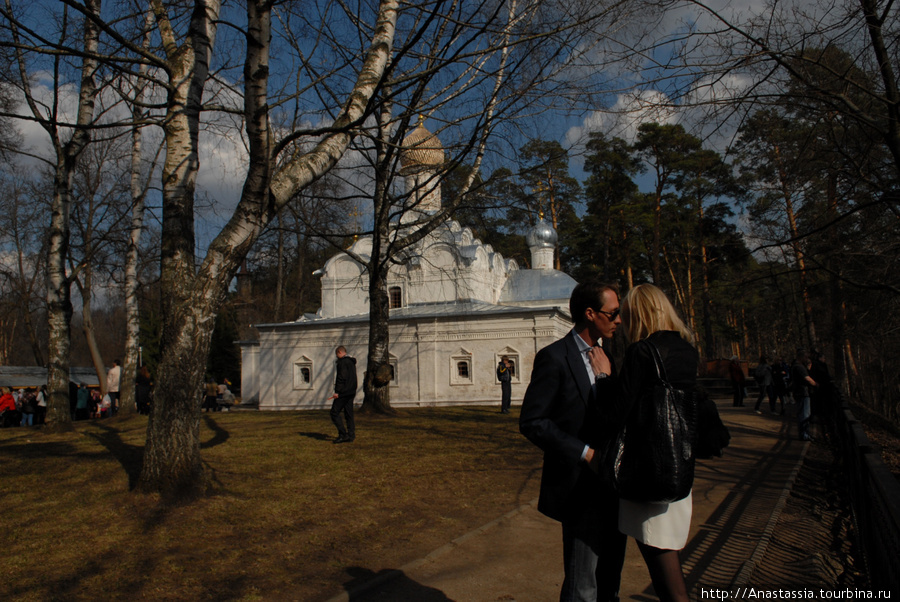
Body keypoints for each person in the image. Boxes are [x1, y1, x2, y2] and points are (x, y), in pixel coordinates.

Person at [519, 280, 626, 602]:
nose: (619, 320)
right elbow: (533, 421)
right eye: (614, 313)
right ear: (590, 314)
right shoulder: (555, 357)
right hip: (580, 487)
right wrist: (585, 454)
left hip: (615, 485)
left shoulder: (612, 354)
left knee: (611, 581)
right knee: (583, 584)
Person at [609, 283, 699, 602]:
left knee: (665, 572)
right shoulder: (688, 350)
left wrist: (607, 377)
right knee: (666, 559)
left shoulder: (643, 351)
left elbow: (619, 412)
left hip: (648, 469)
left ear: (639, 315)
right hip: (678, 464)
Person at [329, 346, 358, 444]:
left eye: (337, 354)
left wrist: (337, 391)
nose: (336, 356)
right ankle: (351, 435)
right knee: (349, 413)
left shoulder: (342, 363)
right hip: (351, 391)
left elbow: (341, 377)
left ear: (339, 352)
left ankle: (343, 434)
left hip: (344, 392)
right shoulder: (351, 362)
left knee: (334, 412)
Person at [791, 349, 817, 441]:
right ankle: (804, 434)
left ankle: (805, 433)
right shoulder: (799, 367)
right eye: (806, 357)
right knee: (804, 414)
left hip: (800, 392)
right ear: (801, 357)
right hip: (802, 392)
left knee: (804, 413)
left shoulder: (796, 366)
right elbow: (807, 378)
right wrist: (816, 384)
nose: (807, 359)